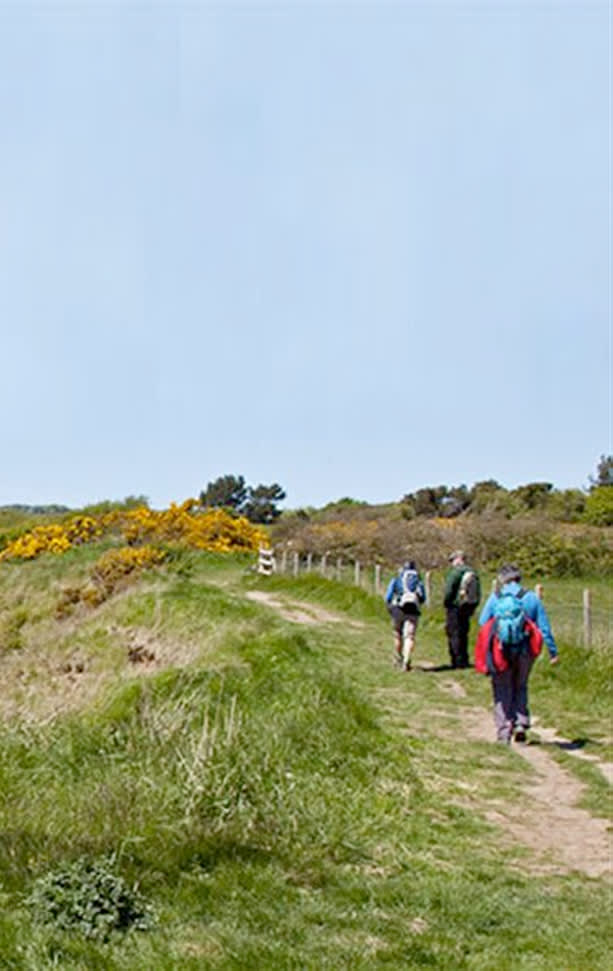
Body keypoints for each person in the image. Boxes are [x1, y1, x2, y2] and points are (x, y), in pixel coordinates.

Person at [476, 563, 559, 744]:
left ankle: (504, 731)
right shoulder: (531, 598)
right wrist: (553, 652)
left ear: (502, 579)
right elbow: (544, 628)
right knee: (521, 685)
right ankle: (521, 723)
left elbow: (483, 623)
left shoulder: (496, 597)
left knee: (502, 688)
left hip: (501, 650)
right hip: (526, 651)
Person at [384, 560, 427, 671]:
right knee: (409, 636)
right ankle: (407, 660)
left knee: (397, 634)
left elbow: (388, 597)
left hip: (398, 610)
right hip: (413, 611)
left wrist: (389, 607)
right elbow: (423, 598)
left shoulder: (397, 579)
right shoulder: (418, 581)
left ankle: (398, 657)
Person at [443, 550, 481, 668]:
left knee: (454, 632)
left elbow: (449, 590)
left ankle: (456, 660)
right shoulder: (473, 572)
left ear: (458, 559)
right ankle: (464, 658)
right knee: (464, 632)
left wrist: (446, 602)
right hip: (468, 606)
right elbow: (478, 591)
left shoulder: (456, 573)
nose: (452, 563)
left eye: (453, 560)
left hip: (455, 606)